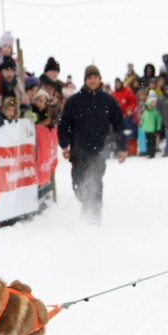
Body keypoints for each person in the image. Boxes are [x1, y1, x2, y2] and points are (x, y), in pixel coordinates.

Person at [57, 65, 127, 223]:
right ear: (85, 80)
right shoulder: (74, 101)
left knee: (95, 183)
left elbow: (119, 124)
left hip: (99, 151)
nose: (93, 80)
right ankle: (86, 204)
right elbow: (64, 124)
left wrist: (122, 148)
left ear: (100, 79)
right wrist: (64, 145)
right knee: (78, 186)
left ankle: (93, 218)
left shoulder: (108, 101)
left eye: (95, 77)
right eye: (90, 78)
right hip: (78, 151)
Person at [139, 92, 163, 158]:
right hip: (146, 129)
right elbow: (142, 119)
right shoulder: (145, 112)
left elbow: (159, 120)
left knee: (152, 142)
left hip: (152, 129)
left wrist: (158, 128)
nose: (149, 106)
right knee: (148, 142)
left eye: (150, 105)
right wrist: (141, 124)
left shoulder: (155, 112)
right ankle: (149, 152)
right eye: (148, 105)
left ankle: (152, 153)